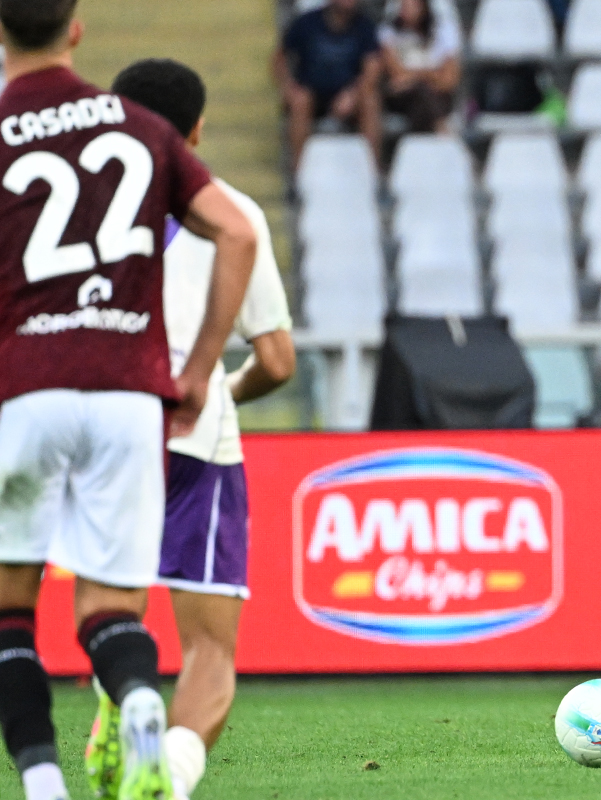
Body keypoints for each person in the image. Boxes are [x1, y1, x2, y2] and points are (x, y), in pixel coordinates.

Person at [0, 0, 256, 798]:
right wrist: (203, 365)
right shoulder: (142, 130)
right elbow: (238, 233)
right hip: (127, 398)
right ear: (76, 29)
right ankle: (143, 705)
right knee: (110, 605)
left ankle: (42, 783)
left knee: (12, 610)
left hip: (29, 388)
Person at [78, 59, 296, 800]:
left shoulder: (70, 204)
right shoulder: (232, 210)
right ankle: (166, 774)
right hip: (191, 436)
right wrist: (225, 388)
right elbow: (277, 360)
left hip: (92, 429)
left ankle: (118, 697)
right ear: (198, 129)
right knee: (209, 644)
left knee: (113, 606)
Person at [273, 0, 382, 171]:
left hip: (348, 94)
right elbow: (279, 58)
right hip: (312, 94)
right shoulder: (307, 23)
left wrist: (353, 94)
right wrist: (288, 87)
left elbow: (373, 68)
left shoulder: (364, 26)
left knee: (370, 101)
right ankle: (298, 175)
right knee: (300, 101)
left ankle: (373, 172)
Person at [379, 0, 460, 133]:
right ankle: (442, 133)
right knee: (423, 94)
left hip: (436, 95)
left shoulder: (442, 32)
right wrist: (433, 74)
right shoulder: (388, 33)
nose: (406, 9)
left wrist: (415, 77)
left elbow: (449, 80)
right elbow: (396, 75)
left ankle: (423, 140)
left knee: (424, 98)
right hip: (402, 99)